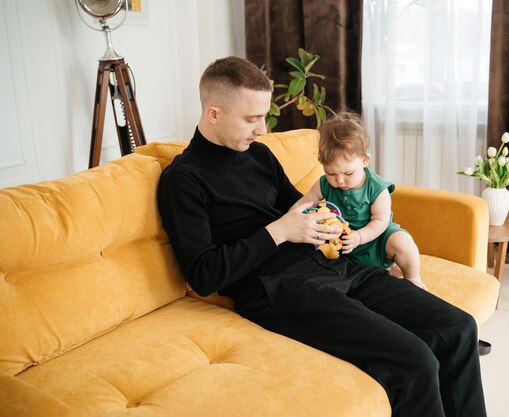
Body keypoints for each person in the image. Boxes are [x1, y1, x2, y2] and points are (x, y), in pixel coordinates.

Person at [157, 56, 488, 417]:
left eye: (264, 117)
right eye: (252, 119)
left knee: (458, 328)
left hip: (337, 267)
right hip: (279, 292)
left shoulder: (259, 156)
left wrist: (328, 221)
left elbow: (299, 208)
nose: (263, 129)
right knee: (416, 361)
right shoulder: (183, 180)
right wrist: (280, 231)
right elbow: (204, 275)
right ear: (214, 113)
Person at [294, 111, 427, 290]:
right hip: (343, 244)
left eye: (348, 173)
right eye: (331, 173)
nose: (339, 181)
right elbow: (306, 202)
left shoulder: (377, 187)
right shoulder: (324, 184)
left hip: (377, 239)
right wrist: (291, 217)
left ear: (364, 160)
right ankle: (381, 272)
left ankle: (413, 277)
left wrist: (359, 236)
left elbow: (380, 221)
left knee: (403, 242)